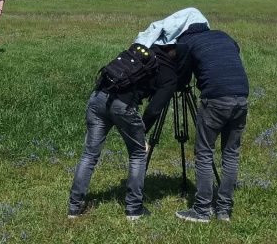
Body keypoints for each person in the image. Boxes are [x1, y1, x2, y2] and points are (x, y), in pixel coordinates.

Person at [67, 41, 183, 220]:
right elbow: (154, 109)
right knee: (137, 153)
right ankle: (134, 209)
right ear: (176, 54)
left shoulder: (140, 52)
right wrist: (142, 132)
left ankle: (74, 207)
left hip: (98, 96)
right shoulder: (170, 75)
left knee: (89, 154)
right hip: (124, 106)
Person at [174, 22, 249, 224]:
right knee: (231, 154)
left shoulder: (185, 41)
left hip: (215, 99)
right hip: (241, 96)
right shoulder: (223, 34)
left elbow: (182, 74)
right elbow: (235, 51)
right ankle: (224, 210)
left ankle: (202, 210)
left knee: (205, 153)